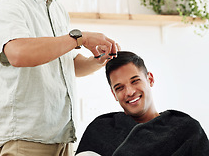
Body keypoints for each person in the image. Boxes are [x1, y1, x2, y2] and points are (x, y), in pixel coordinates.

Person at [0, 0, 119, 156]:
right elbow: (18, 53)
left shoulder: (57, 9)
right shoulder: (9, 3)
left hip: (62, 139)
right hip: (26, 141)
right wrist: (80, 38)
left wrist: (98, 61)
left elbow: (70, 65)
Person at [76, 51, 209, 156]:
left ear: (150, 79)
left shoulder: (185, 129)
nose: (129, 92)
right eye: (119, 88)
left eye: (135, 81)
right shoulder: (101, 130)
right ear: (113, 94)